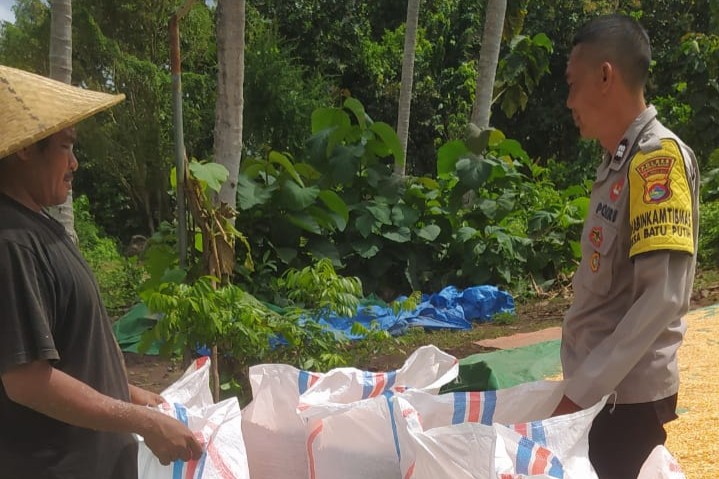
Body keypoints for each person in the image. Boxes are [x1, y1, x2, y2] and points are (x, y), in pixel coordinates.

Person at [0, 65, 203, 478]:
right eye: (65, 146)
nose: (74, 163)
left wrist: (127, 394)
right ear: (25, 149)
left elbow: (68, 356)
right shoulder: (12, 241)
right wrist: (143, 422)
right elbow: (27, 380)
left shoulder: (36, 227)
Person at [552, 13, 700, 479]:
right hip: (604, 393)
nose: (569, 101)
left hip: (625, 399)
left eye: (572, 84)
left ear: (605, 76)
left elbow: (662, 298)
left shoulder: (657, 160)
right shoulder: (618, 163)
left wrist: (581, 394)